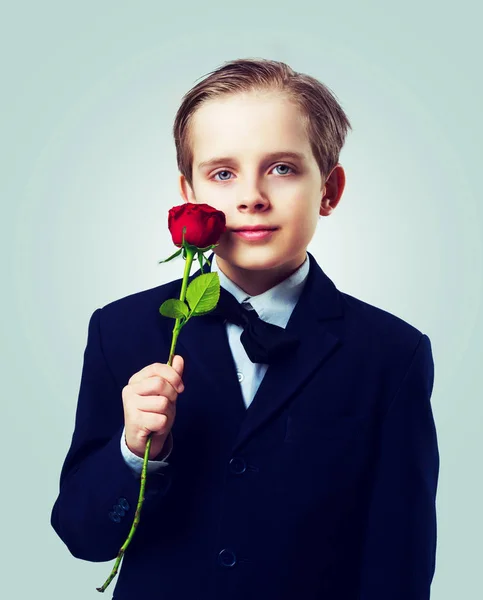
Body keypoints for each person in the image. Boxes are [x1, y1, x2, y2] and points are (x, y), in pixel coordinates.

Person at [50, 58, 439, 600]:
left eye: (282, 168)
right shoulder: (122, 331)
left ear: (329, 189)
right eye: (223, 173)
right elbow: (83, 534)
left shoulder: (393, 354)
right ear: (188, 193)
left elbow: (399, 561)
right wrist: (135, 452)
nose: (251, 195)